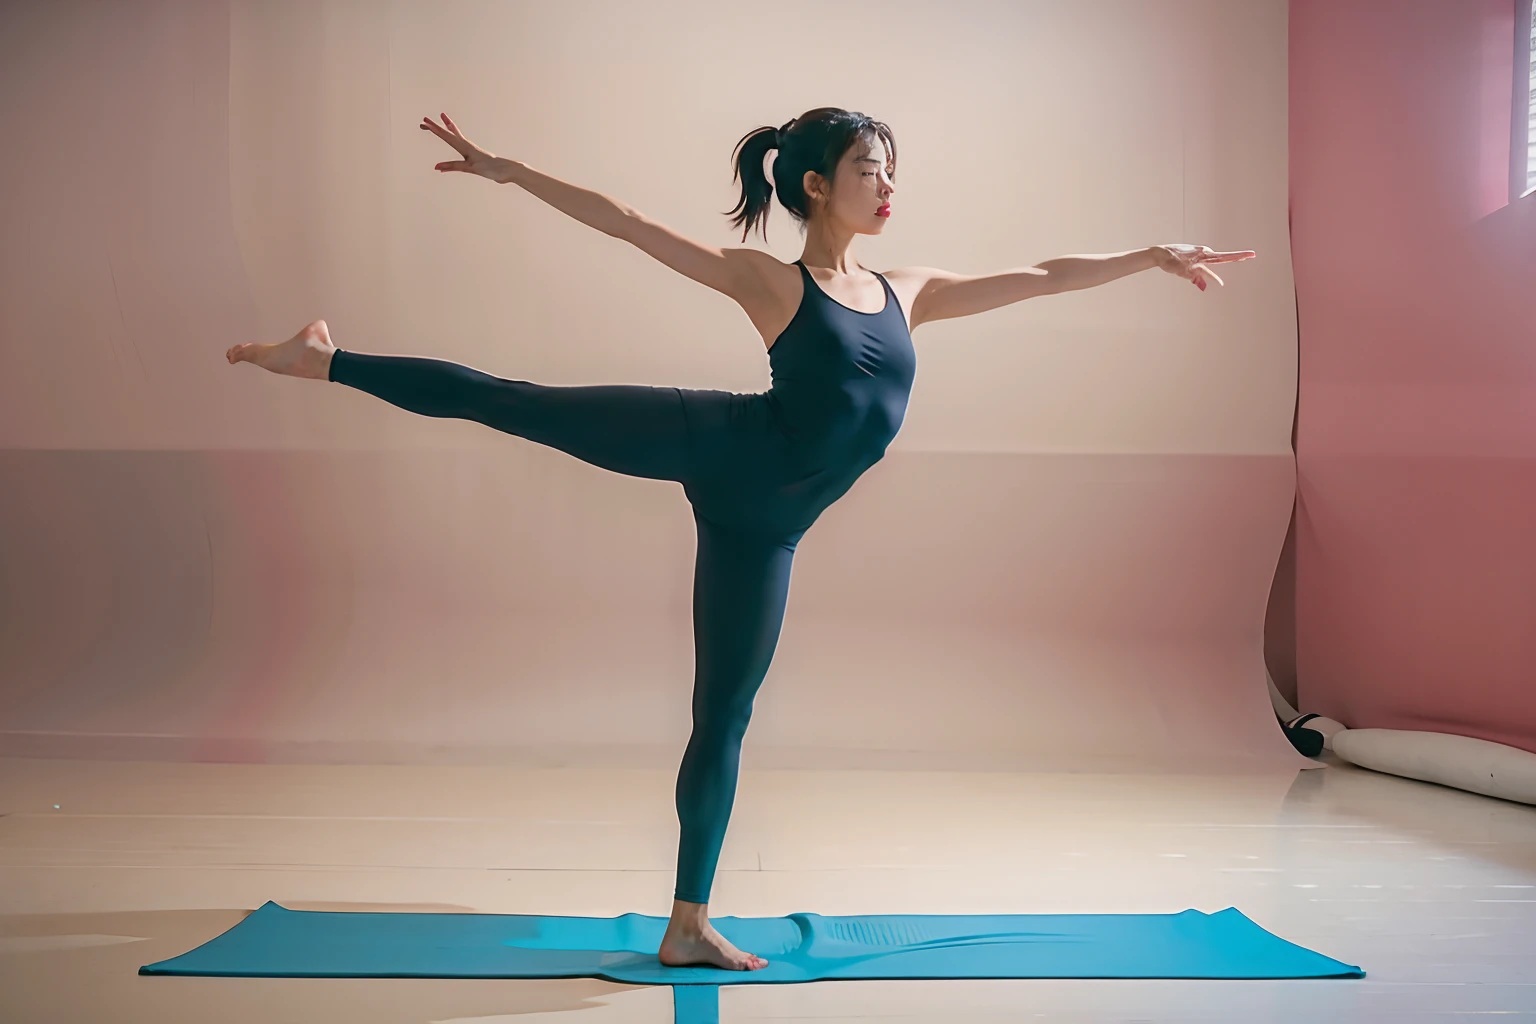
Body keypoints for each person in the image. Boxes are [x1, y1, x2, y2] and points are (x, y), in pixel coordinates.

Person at [225, 106, 1255, 971]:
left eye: (891, 168)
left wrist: (1151, 257)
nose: (887, 182)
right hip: (718, 444)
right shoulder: (777, 286)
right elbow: (630, 225)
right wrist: (508, 171)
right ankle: (326, 360)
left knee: (723, 712)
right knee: (519, 403)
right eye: (867, 168)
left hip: (766, 532)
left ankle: (686, 924)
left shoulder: (913, 294)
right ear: (815, 184)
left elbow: (1041, 273)